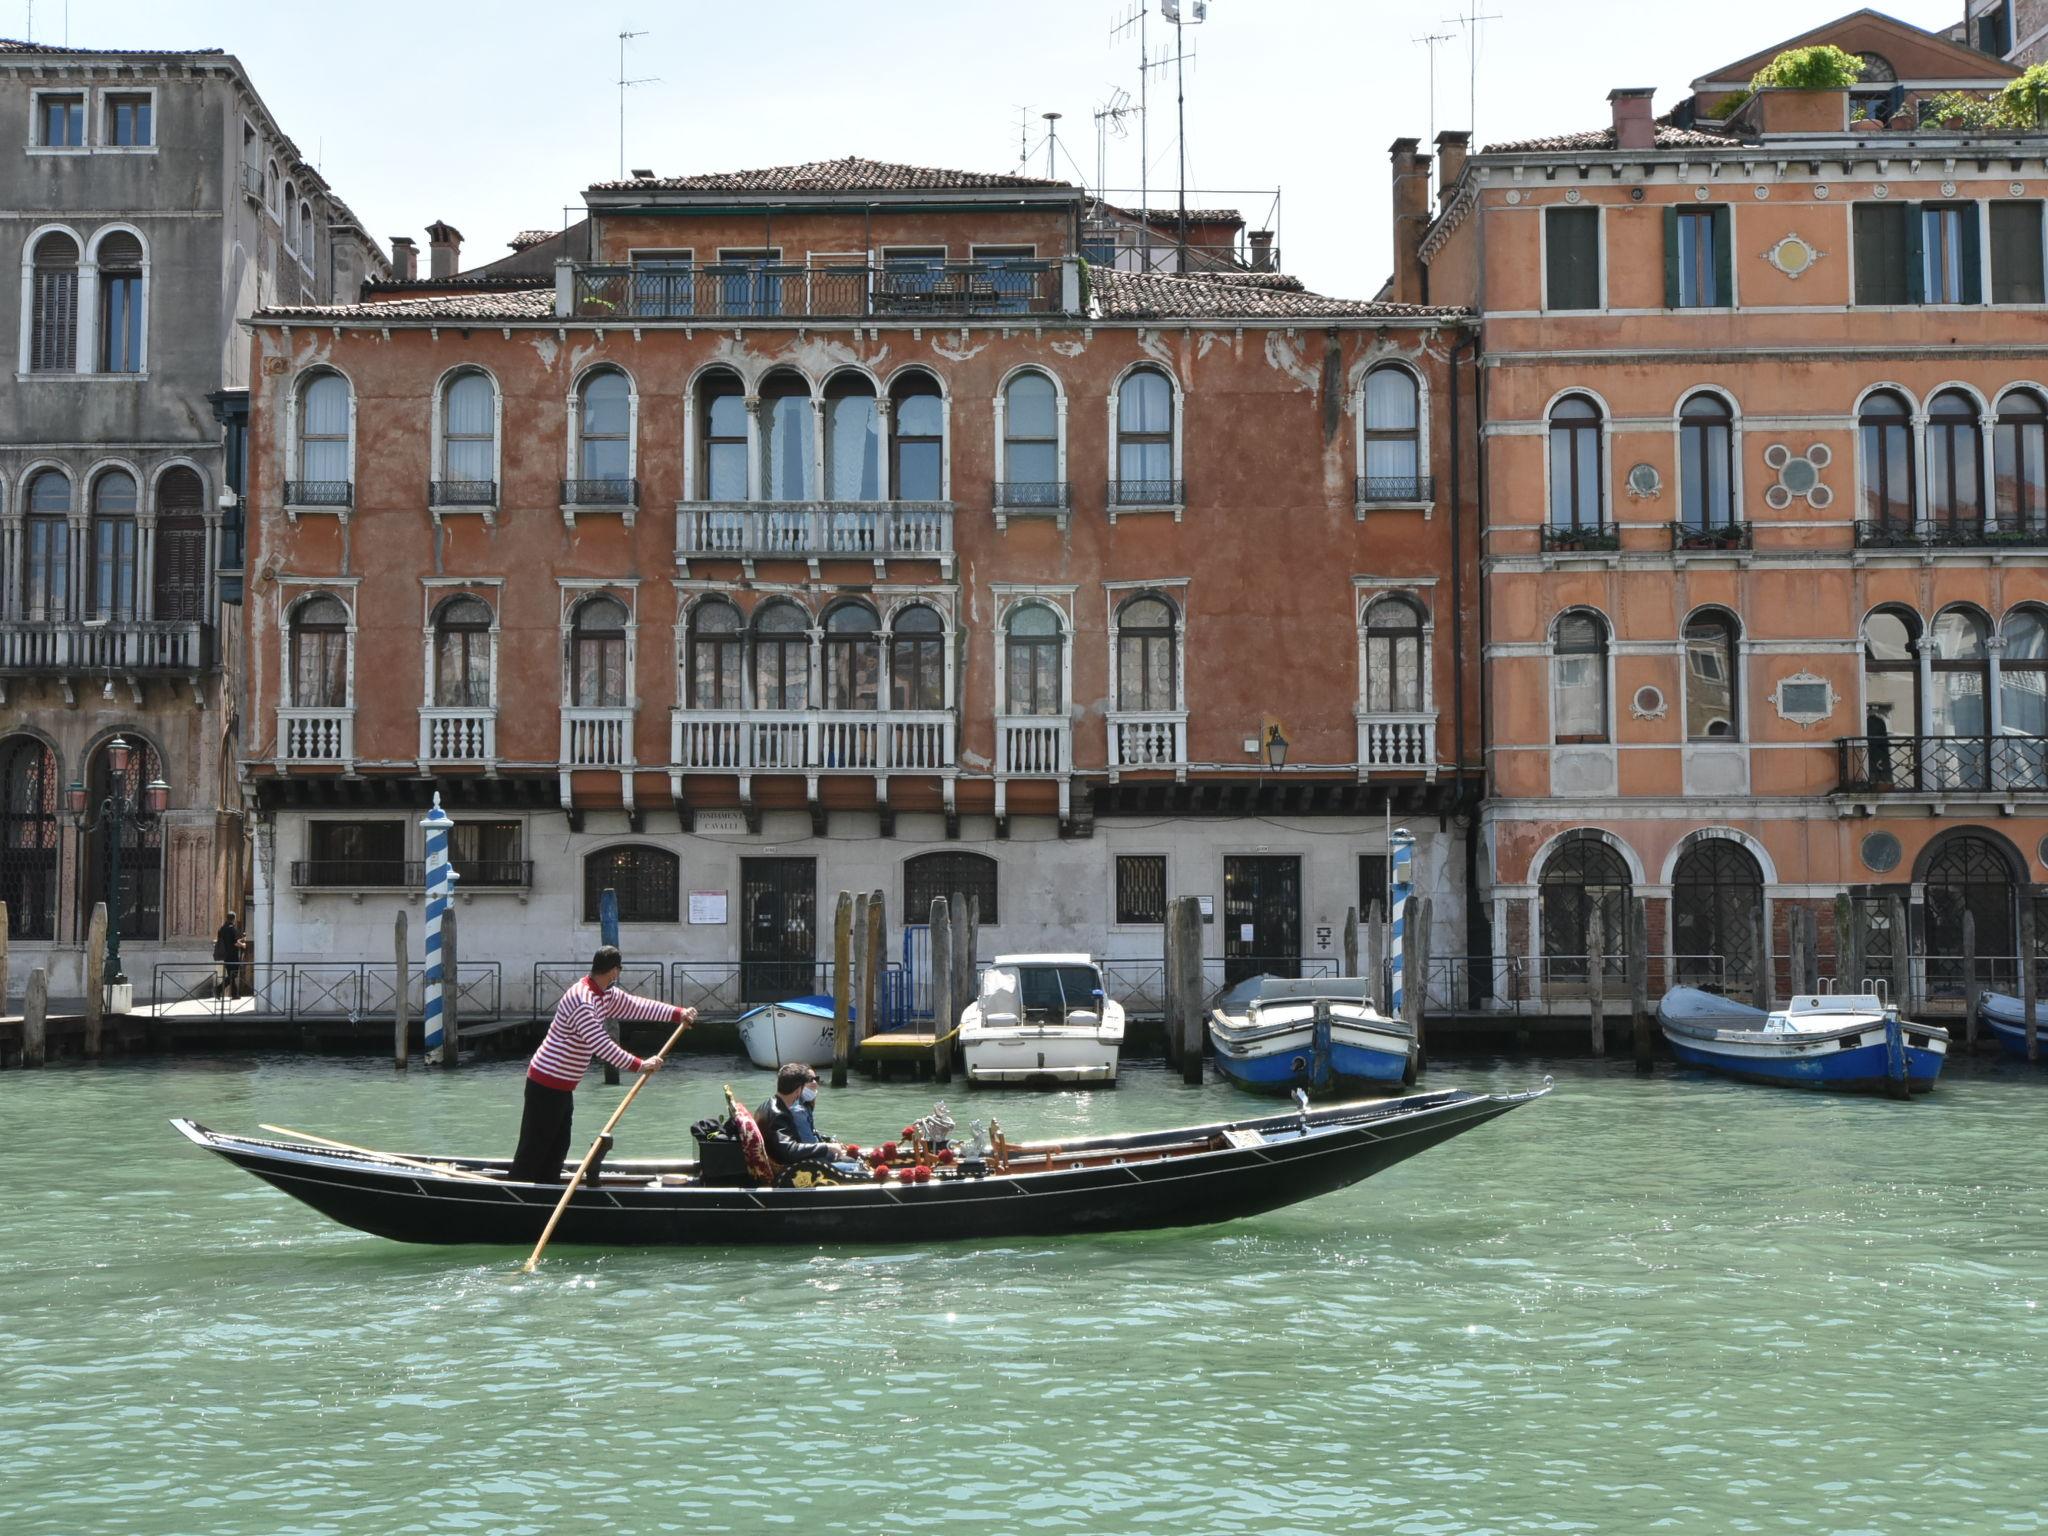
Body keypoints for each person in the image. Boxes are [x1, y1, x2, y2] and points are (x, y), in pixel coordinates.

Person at [508, 945, 696, 1183]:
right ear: (614, 971)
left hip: (564, 1087)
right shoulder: (582, 1000)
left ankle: (547, 1189)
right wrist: (640, 1065)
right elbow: (601, 1046)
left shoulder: (604, 994)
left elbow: (637, 1006)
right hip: (545, 1084)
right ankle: (519, 1191)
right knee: (534, 1150)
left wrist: (678, 1014)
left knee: (557, 1149)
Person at [754, 1062, 855, 1171]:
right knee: (855, 1167)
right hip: (793, 1170)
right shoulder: (779, 1115)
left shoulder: (766, 1105)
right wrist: (827, 1147)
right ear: (798, 1090)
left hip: (788, 1164)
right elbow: (789, 1151)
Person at [213, 911, 248, 1000]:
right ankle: (218, 989)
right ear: (234, 919)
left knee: (231, 975)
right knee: (234, 974)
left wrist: (240, 940)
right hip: (233, 955)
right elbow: (234, 943)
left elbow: (228, 941)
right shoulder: (232, 929)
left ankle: (234, 994)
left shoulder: (222, 928)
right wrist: (243, 945)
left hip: (226, 955)